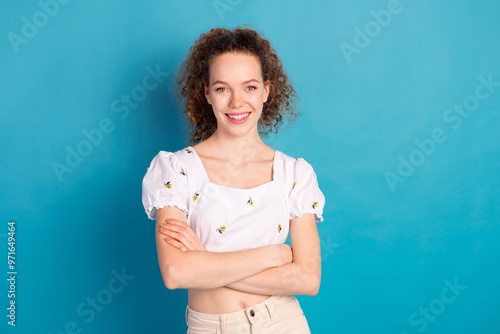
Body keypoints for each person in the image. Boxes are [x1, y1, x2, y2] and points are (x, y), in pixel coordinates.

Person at [142, 27, 325, 333]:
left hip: (282, 322)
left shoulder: (294, 174)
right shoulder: (177, 170)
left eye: (250, 87)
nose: (237, 102)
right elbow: (176, 272)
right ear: (207, 93)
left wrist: (204, 262)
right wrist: (274, 255)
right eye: (223, 89)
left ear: (267, 90)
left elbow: (307, 279)